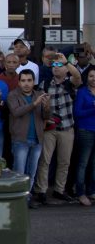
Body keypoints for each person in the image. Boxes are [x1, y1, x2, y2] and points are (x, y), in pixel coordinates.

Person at [34, 53, 82, 204]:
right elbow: (39, 105)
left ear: (65, 69)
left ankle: (59, 190)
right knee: (45, 161)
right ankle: (41, 190)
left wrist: (66, 62)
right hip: (49, 128)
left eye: (59, 65)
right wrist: (45, 117)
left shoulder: (70, 83)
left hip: (67, 127)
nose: (56, 68)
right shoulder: (45, 84)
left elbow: (78, 77)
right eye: (54, 65)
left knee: (64, 161)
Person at [7, 69, 50, 208]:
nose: (26, 84)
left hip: (37, 139)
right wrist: (35, 104)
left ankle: (27, 198)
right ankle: (17, 199)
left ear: (33, 82)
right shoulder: (13, 95)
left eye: (29, 80)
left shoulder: (39, 95)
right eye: (23, 80)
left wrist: (47, 106)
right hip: (20, 140)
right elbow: (16, 112)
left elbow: (45, 117)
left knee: (32, 172)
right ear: (19, 82)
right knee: (19, 172)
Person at [72, 69, 95, 206]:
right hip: (85, 130)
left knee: (94, 164)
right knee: (83, 163)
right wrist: (93, 108)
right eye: (91, 76)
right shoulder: (82, 92)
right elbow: (77, 113)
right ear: (87, 78)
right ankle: (80, 193)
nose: (94, 79)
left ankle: (92, 190)